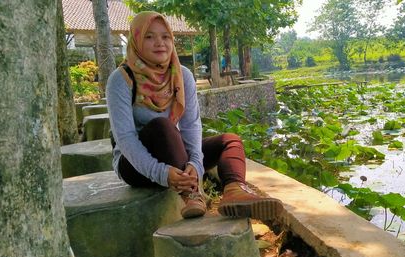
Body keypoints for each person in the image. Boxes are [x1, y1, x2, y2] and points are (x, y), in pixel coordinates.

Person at [106, 11, 283, 220]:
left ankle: (235, 191)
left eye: (165, 36)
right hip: (134, 165)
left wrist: (196, 165)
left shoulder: (182, 75)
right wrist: (161, 172)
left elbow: (191, 126)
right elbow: (125, 138)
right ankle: (192, 194)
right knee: (162, 126)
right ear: (136, 40)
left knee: (230, 141)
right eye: (149, 36)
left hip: (175, 151)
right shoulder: (121, 79)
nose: (159, 43)